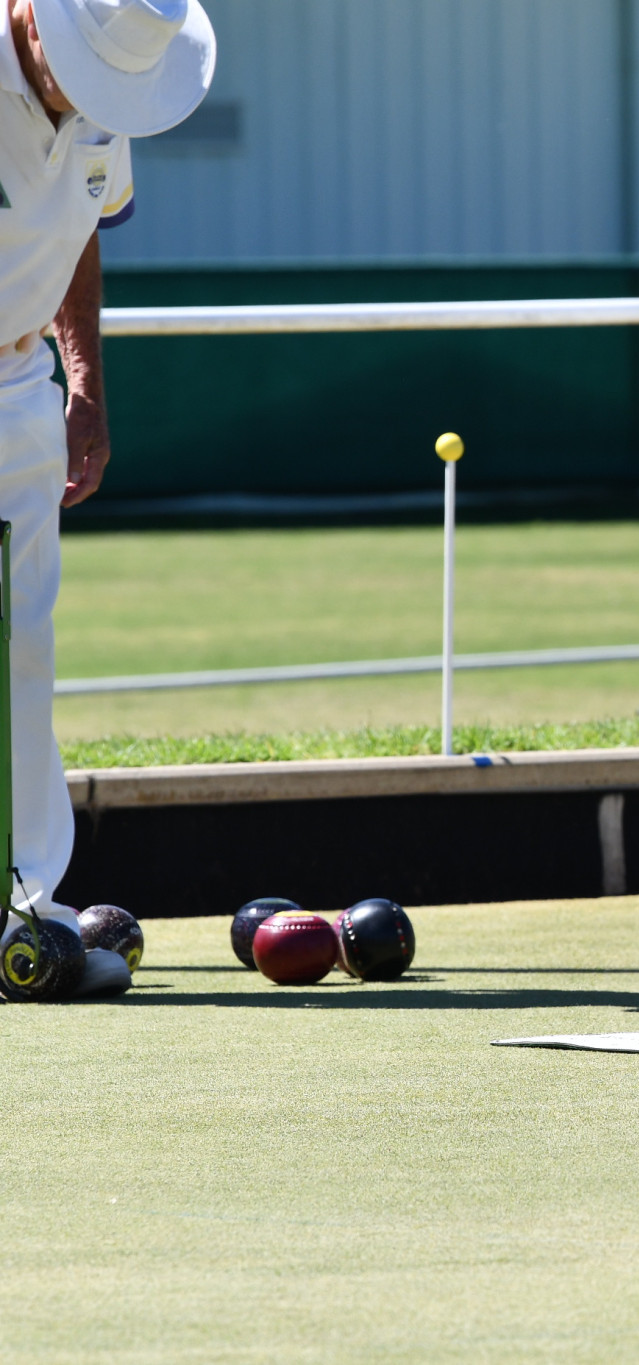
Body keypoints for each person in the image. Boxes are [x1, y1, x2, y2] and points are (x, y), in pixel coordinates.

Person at [0, 0, 212, 943]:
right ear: (29, 19)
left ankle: (26, 902)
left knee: (23, 645)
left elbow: (81, 228)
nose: (84, 102)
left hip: (20, 388)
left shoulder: (103, 101)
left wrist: (84, 381)